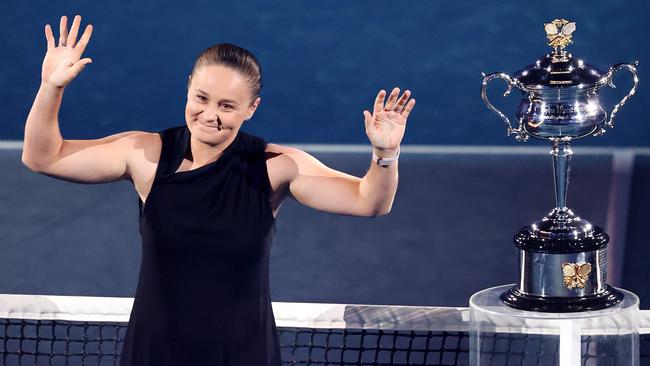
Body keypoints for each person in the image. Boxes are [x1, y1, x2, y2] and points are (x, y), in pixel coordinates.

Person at [22, 15, 416, 366]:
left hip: (241, 354)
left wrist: (386, 152)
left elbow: (370, 201)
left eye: (228, 106)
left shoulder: (276, 167)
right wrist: (50, 87)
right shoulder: (146, 155)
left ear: (252, 109)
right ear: (188, 89)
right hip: (155, 352)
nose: (210, 115)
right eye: (202, 98)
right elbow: (44, 157)